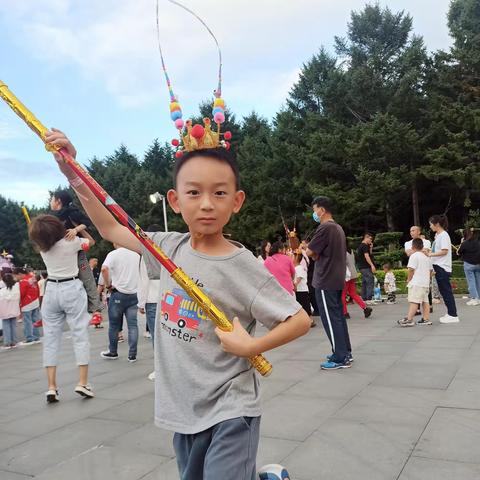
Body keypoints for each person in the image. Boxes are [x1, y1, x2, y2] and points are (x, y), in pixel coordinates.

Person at [48, 127, 310, 480]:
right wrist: (73, 173)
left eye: (219, 193)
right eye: (194, 192)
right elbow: (110, 228)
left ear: (236, 201)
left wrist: (253, 345)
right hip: (182, 405)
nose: (206, 203)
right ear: (175, 200)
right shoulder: (167, 248)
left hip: (231, 404)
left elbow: (298, 319)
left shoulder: (243, 264)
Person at [29, 214, 96, 402]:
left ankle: (52, 387)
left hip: (51, 290)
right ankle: (82, 383)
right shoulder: (72, 243)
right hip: (72, 288)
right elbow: (91, 241)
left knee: (50, 339)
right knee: (80, 335)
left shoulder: (43, 249)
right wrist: (77, 229)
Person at [307, 196, 352, 370]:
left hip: (325, 279)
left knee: (330, 319)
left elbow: (311, 251)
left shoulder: (324, 228)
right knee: (338, 317)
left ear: (322, 210)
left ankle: (339, 357)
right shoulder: (337, 228)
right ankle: (345, 351)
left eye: (315, 209)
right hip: (336, 278)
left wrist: (306, 249)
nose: (314, 213)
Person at [50, 190, 103, 326]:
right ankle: (50, 312)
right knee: (53, 280)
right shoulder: (53, 217)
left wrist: (76, 230)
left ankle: (96, 311)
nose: (50, 201)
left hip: (75, 249)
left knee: (86, 277)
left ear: (59, 201)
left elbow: (87, 222)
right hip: (61, 252)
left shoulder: (71, 212)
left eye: (52, 199)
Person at [100, 244, 140, 362]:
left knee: (114, 325)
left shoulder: (113, 254)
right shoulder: (136, 255)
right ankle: (132, 355)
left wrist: (108, 285)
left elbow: (104, 269)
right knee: (133, 325)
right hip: (134, 293)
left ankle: (113, 352)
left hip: (118, 293)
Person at [138, 224, 163, 380]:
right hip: (168, 298)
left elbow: (144, 279)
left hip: (153, 299)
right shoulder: (168, 250)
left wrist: (141, 303)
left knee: (156, 337)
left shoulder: (146, 253)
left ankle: (159, 369)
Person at [428, 215, 459, 323]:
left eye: (431, 224)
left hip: (442, 267)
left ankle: (453, 314)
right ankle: (451, 313)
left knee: (446, 292)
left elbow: (444, 251)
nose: (430, 226)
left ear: (437, 224)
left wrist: (430, 254)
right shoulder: (439, 235)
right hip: (439, 266)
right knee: (444, 291)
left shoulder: (444, 235)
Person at [398, 238, 432, 327]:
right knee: (425, 301)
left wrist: (409, 280)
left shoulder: (414, 256)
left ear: (413, 246)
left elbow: (411, 270)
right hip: (425, 283)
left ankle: (409, 319)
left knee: (414, 301)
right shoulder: (426, 257)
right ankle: (426, 319)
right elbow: (431, 271)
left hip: (417, 282)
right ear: (422, 246)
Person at [15, 267, 41, 346]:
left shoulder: (23, 281)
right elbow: (38, 289)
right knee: (35, 320)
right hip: (35, 301)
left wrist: (19, 303)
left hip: (27, 303)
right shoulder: (32, 278)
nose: (16, 278)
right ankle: (36, 337)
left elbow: (22, 294)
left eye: (16, 276)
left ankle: (29, 338)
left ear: (19, 274)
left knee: (27, 322)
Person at [342, 249, 372, 319]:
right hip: (353, 273)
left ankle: (345, 313)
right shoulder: (351, 251)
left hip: (346, 275)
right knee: (353, 294)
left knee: (342, 296)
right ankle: (365, 308)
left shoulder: (341, 251)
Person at [458, 227, 480, 306]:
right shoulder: (478, 242)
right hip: (478, 264)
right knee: (478, 281)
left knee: (471, 282)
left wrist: (461, 242)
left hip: (468, 264)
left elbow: (458, 252)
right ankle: (478, 298)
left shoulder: (465, 243)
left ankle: (474, 298)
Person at [0, 272, 20, 349]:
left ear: (4, 281)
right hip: (14, 310)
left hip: (5, 311)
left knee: (6, 326)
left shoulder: (2, 291)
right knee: (13, 326)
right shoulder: (16, 289)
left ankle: (7, 343)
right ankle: (14, 341)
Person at [293, 253, 314, 325]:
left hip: (302, 290)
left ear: (296, 258)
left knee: (305, 305)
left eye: (293, 257)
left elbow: (299, 278)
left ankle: (310, 319)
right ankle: (304, 320)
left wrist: (295, 285)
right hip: (299, 290)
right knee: (301, 305)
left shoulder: (299, 268)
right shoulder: (296, 268)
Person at [357, 233, 376, 303]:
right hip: (365, 266)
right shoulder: (364, 246)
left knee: (365, 282)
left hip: (362, 267)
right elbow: (366, 256)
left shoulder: (362, 246)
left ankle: (364, 298)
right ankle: (369, 298)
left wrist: (371, 248)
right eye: (370, 239)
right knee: (370, 280)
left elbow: (369, 254)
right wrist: (372, 265)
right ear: (366, 238)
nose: (371, 241)